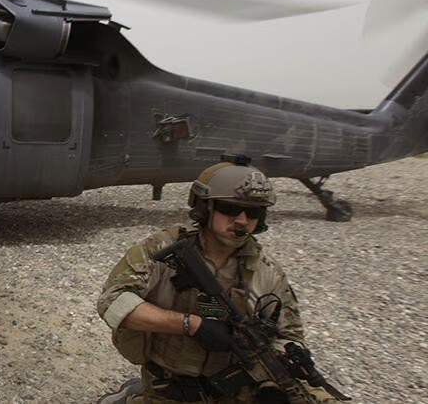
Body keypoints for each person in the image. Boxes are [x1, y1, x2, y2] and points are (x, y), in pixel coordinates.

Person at [96, 159, 336, 403]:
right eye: (230, 209)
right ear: (205, 208)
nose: (242, 220)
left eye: (253, 212)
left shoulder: (266, 272)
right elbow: (112, 302)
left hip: (235, 390)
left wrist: (279, 368)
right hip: (169, 387)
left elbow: (290, 334)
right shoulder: (163, 249)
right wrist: (191, 324)